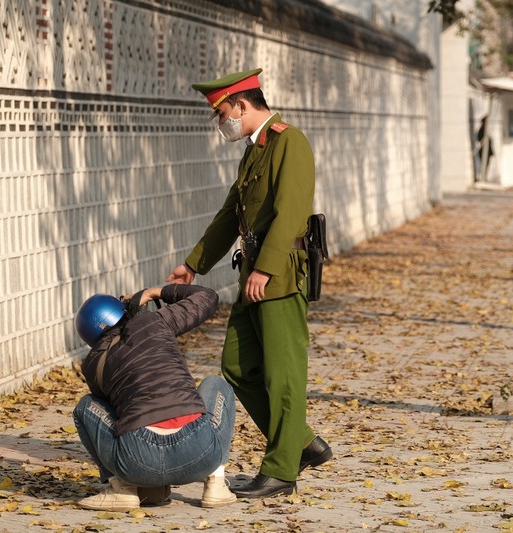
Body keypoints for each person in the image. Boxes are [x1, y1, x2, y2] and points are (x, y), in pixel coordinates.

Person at [167, 68, 332, 499]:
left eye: (224, 113)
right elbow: (229, 217)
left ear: (242, 104)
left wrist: (267, 268)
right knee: (237, 365)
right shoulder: (254, 149)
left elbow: (292, 212)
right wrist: (193, 265)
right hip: (253, 276)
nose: (223, 122)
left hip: (275, 277)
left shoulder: (288, 142)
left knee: (284, 375)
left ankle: (282, 469)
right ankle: (300, 442)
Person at [72, 283, 237, 510]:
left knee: (86, 406)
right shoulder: (153, 322)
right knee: (216, 383)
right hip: (201, 452)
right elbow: (208, 296)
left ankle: (121, 489)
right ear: (123, 312)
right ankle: (216, 484)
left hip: (138, 460)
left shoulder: (92, 365)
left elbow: (115, 416)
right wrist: (154, 293)